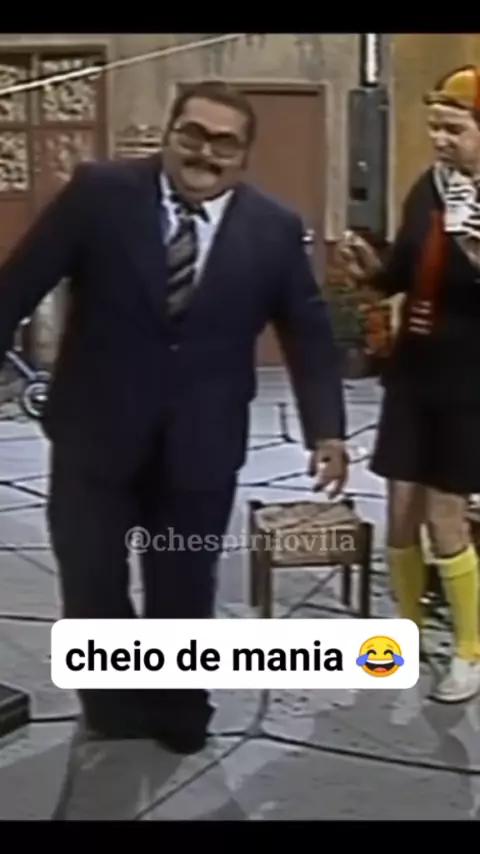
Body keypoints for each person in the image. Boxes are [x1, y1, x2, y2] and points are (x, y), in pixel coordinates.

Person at [0, 80, 348, 752]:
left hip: (201, 446)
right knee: (92, 580)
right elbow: (17, 287)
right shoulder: (99, 193)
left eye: (224, 143)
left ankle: (179, 707)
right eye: (193, 134)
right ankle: (111, 707)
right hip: (94, 438)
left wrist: (326, 429)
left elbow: (306, 332)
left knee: (182, 583)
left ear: (243, 155)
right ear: (168, 133)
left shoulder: (274, 228)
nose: (205, 153)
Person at [336, 65, 480, 703]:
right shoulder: (429, 187)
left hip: (469, 378)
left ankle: (470, 652)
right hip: (415, 370)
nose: (440, 140)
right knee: (400, 512)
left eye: (454, 129)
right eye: (435, 128)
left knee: (447, 517)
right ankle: (407, 631)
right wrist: (371, 269)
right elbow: (401, 271)